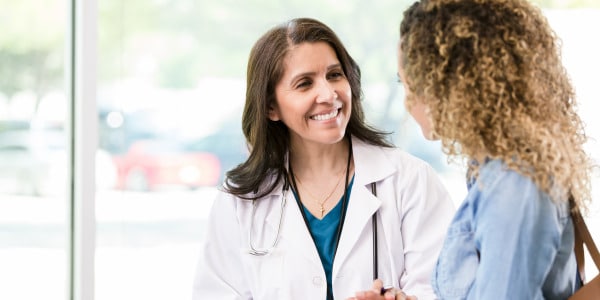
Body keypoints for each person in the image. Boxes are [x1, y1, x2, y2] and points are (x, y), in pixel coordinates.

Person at [192, 17, 455, 300]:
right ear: (271, 107)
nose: (329, 94)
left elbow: (445, 289)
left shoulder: (410, 181)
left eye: (334, 75)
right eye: (305, 84)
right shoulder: (240, 201)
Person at [350, 0, 594, 299]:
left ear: (448, 88)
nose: (407, 102)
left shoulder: (514, 184)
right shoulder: (496, 170)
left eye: (409, 85)